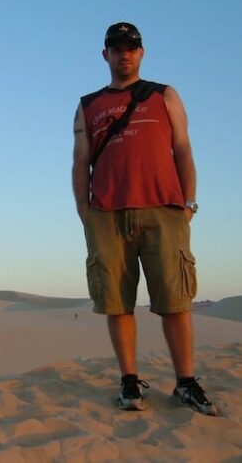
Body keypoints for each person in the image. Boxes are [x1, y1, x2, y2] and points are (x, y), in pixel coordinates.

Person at [72, 22, 217, 416]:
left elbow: (183, 148)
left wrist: (189, 203)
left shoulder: (163, 94)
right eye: (117, 47)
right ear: (105, 54)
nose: (124, 54)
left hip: (163, 209)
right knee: (118, 303)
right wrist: (85, 212)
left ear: (142, 52)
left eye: (131, 47)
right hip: (106, 213)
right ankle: (130, 381)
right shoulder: (89, 104)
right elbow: (80, 161)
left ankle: (185, 383)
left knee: (175, 300)